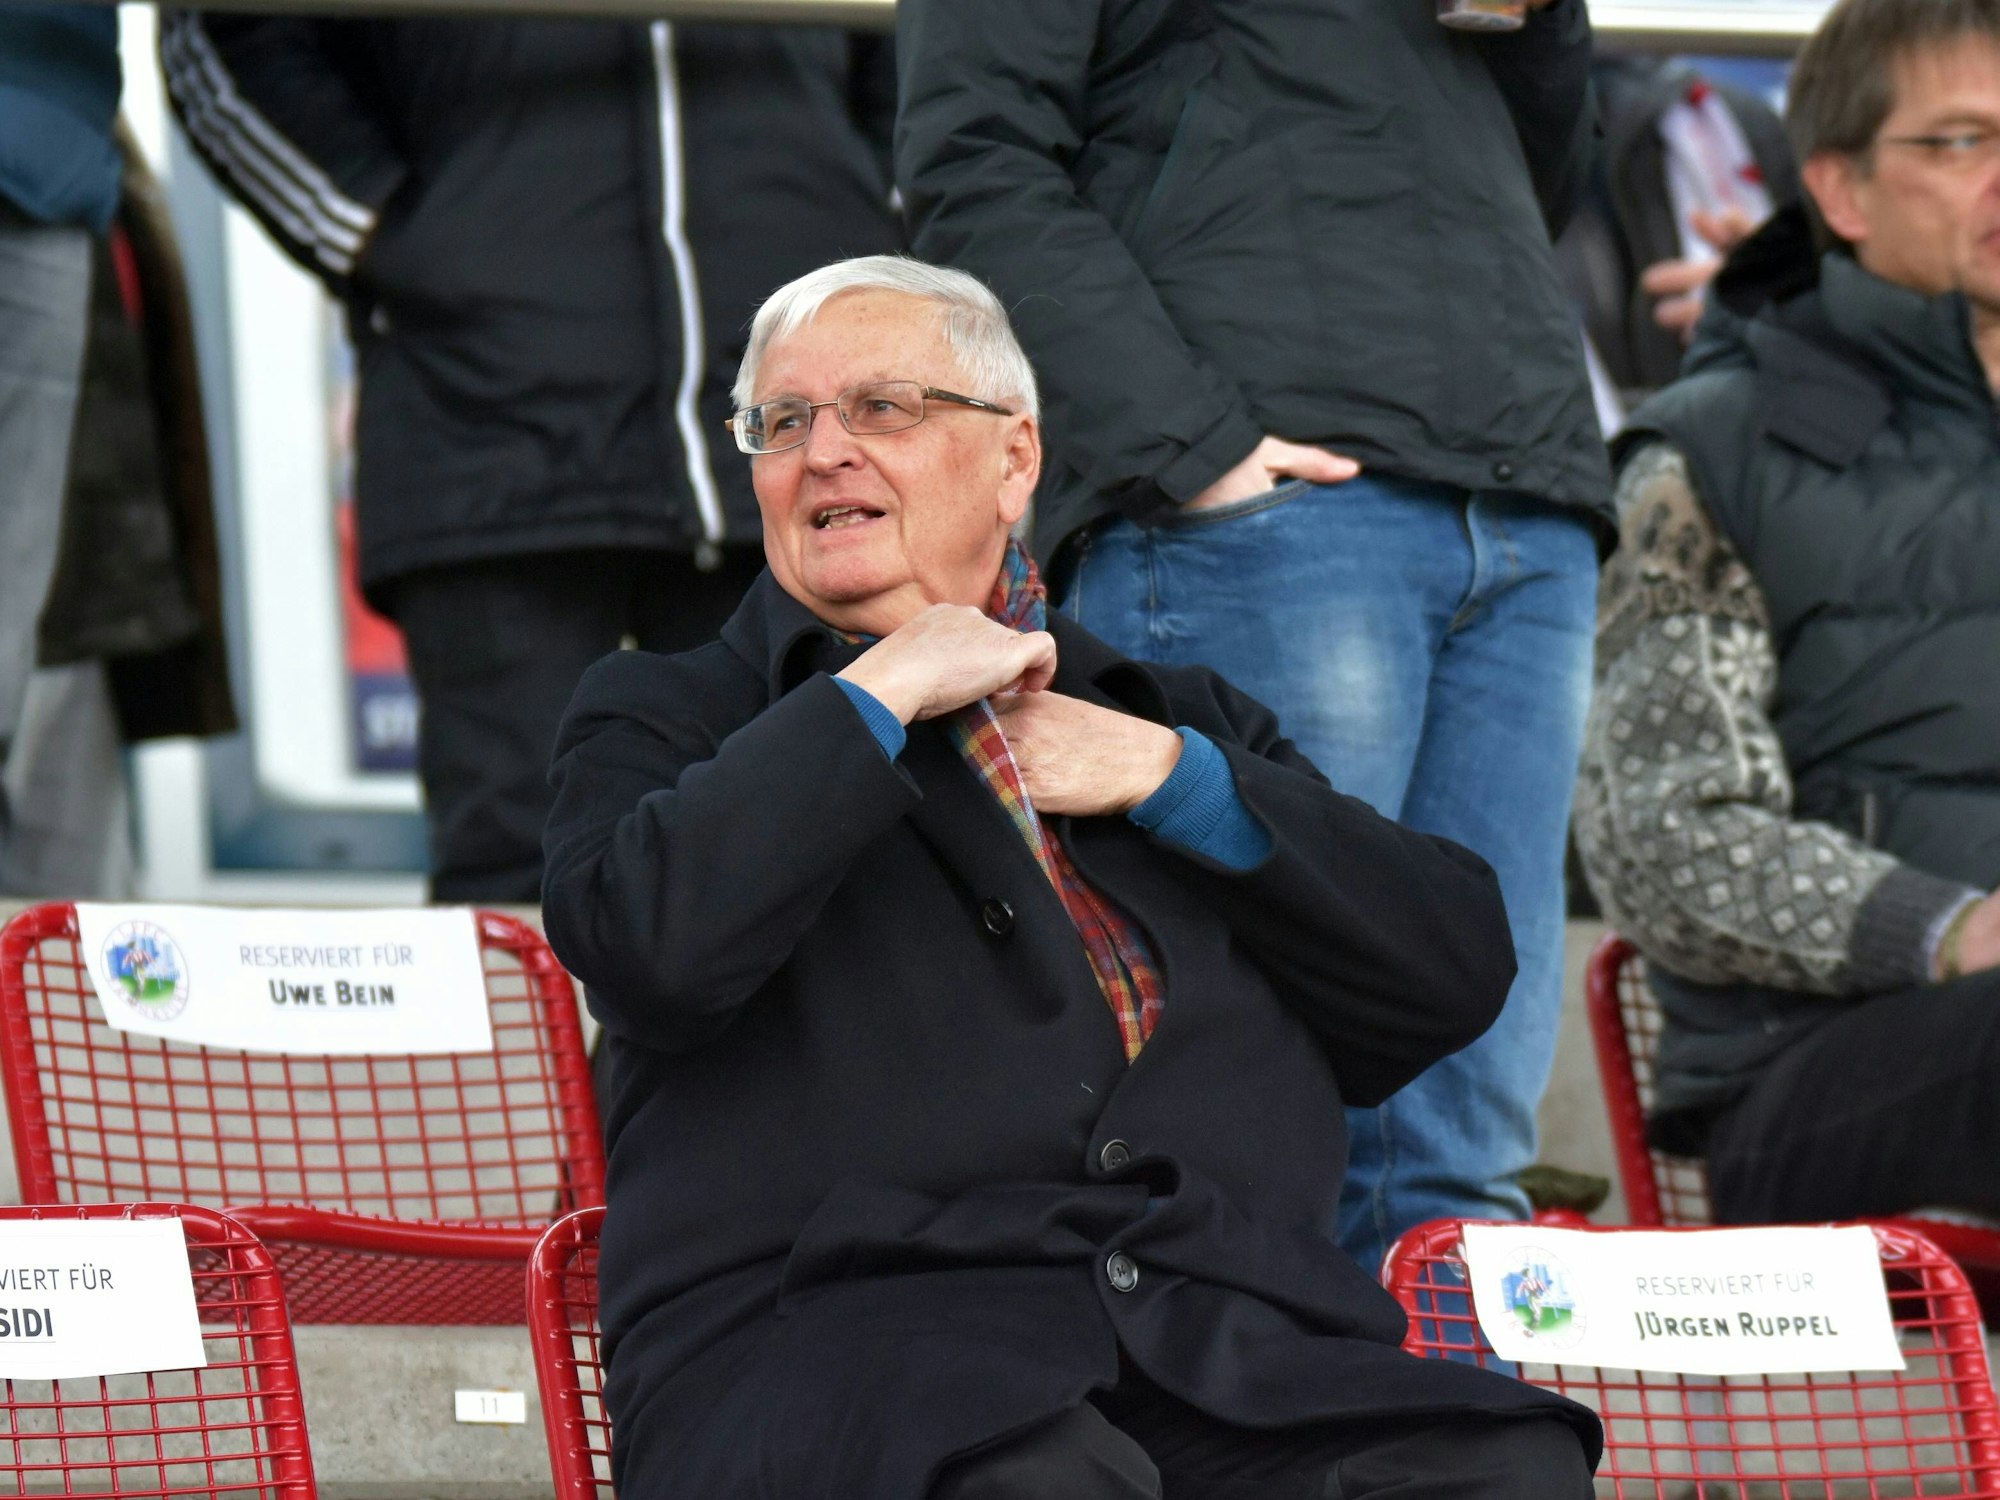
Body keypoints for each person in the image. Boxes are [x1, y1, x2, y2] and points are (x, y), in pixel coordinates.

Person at [542, 257, 1599, 1500]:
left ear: (1014, 460)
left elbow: (1447, 970)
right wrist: (874, 694)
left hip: (1212, 1349)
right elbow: (643, 943)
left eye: (881, 407)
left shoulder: (1175, 718)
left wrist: (1170, 776)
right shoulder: (665, 714)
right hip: (832, 1349)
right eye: (780, 423)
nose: (821, 451)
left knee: (1500, 1464)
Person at [895, 0, 1613, 1271]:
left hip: (1519, 484)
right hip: (1263, 500)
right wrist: (1189, 445)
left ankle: (1454, 1454)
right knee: (1243, 1129)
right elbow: (972, 156)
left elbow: (1539, 173)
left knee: (1460, 1151)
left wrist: (1545, 22)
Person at [162, 12, 900, 901]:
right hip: (488, 429)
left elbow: (925, 59)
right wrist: (392, 235)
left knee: (800, 875)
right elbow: (227, 35)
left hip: (783, 434)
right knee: (520, 877)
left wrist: (864, 246)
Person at [1574, 0, 2000, 1227]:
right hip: (1810, 1082)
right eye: (1961, 141)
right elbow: (1665, 841)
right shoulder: (1711, 451)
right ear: (1841, 190)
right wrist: (1954, 928)